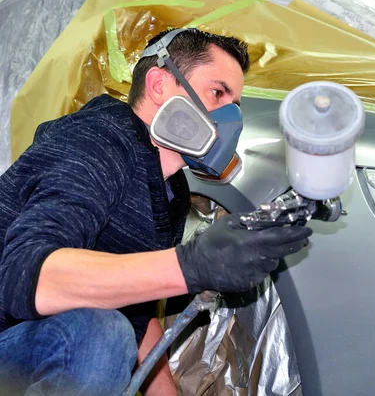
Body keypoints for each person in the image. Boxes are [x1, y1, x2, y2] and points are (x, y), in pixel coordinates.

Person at [0, 28, 313, 395]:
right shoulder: (100, 140)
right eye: (218, 93)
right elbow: (27, 277)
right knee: (101, 334)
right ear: (160, 84)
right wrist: (189, 266)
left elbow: (134, 304)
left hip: (36, 347)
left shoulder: (172, 191)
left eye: (235, 105)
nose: (230, 118)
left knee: (111, 328)